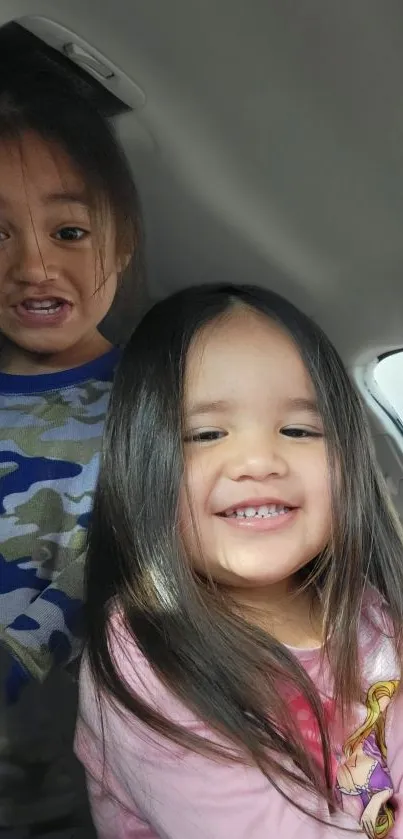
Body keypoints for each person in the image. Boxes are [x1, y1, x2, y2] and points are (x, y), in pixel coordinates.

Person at [76, 284, 403, 838]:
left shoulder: (366, 614)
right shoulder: (151, 655)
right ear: (142, 462)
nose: (258, 460)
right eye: (206, 434)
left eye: (298, 430)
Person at [0, 64, 142, 837]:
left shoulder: (153, 399)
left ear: (121, 246)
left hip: (65, 780)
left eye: (69, 231)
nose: (31, 265)